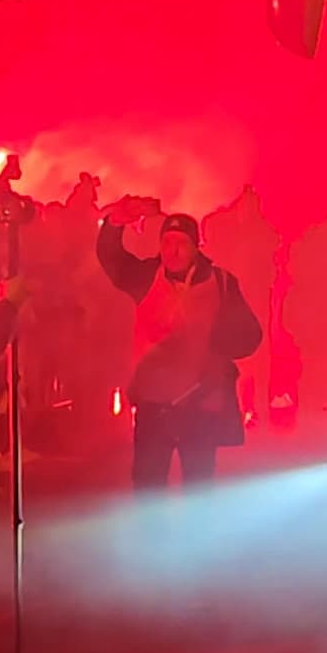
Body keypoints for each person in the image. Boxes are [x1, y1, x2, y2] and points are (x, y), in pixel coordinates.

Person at [95, 200, 262, 492]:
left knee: (199, 490)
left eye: (181, 243)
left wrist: (218, 349)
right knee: (149, 488)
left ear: (197, 246)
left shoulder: (221, 282)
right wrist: (115, 224)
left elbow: (250, 335)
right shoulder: (146, 277)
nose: (172, 250)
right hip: (153, 404)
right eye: (167, 242)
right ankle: (151, 537)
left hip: (200, 405)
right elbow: (112, 259)